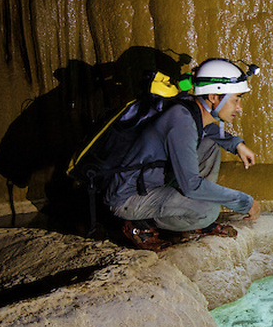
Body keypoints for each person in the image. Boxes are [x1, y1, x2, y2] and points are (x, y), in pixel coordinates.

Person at [106, 57, 262, 251]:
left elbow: (208, 130)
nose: (239, 107)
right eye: (236, 99)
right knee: (207, 210)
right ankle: (139, 224)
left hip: (152, 183)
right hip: (129, 197)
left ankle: (188, 219)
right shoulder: (181, 121)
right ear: (214, 97)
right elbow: (191, 186)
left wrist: (236, 144)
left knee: (210, 145)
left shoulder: (188, 106)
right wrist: (244, 202)